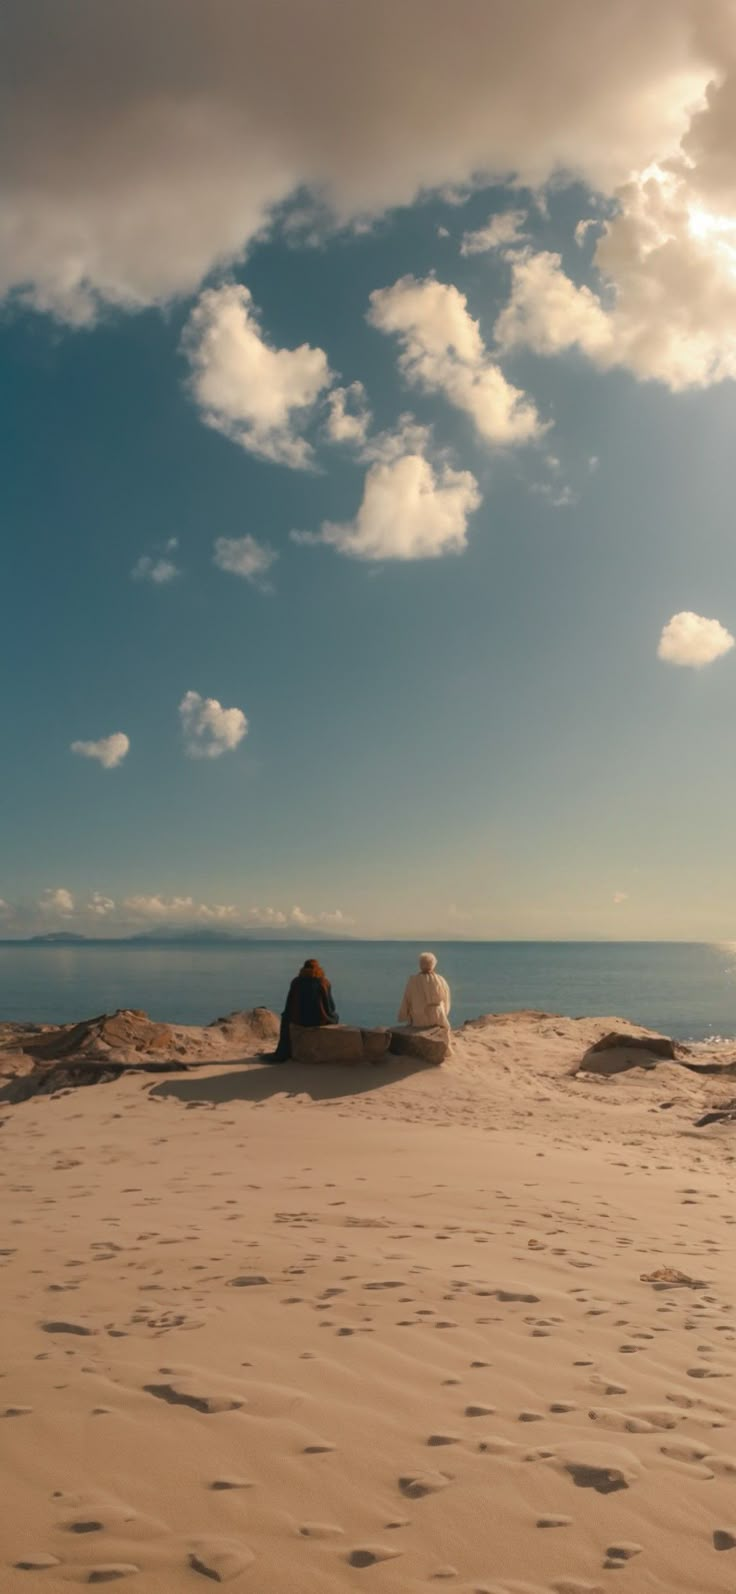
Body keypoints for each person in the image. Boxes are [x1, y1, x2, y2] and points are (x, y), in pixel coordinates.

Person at [271, 958, 339, 1061]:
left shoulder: (296, 982)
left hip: (299, 1019)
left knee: (285, 1018)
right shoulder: (324, 982)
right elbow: (330, 1006)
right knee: (335, 1016)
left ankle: (283, 1052)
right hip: (319, 1020)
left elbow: (289, 1004)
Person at [398, 951, 451, 1030]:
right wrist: (444, 1013)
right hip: (439, 1018)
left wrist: (404, 1016)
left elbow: (406, 1000)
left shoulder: (413, 980)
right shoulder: (441, 980)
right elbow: (446, 1000)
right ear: (434, 965)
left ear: (420, 965)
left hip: (420, 1019)